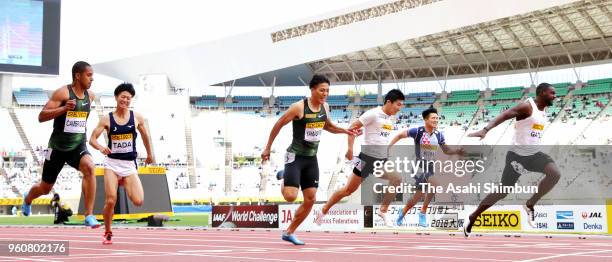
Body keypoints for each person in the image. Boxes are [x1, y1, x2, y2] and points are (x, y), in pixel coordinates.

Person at [261, 75, 360, 245]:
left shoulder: (325, 107)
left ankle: (289, 231)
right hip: (295, 157)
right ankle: (285, 175)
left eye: (327, 90)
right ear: (312, 90)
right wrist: (267, 147)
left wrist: (346, 131)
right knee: (290, 197)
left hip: (311, 159)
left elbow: (328, 126)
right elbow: (279, 124)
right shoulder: (298, 107)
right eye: (322, 90)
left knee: (311, 198)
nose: (325, 93)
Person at [463, 83, 561, 237]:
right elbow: (505, 115)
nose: (555, 96)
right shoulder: (527, 107)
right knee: (502, 191)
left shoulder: (544, 111)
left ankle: (530, 204)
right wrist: (485, 129)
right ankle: (474, 215)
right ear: (541, 93)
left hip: (534, 154)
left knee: (555, 174)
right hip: (517, 156)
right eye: (552, 93)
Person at [22, 61, 100, 228]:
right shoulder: (62, 93)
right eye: (89, 75)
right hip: (57, 148)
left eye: (92, 75)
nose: (92, 79)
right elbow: (41, 116)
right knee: (44, 188)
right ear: (77, 76)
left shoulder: (91, 96)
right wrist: (64, 109)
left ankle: (89, 215)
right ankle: (28, 198)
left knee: (90, 167)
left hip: (78, 146)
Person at [316, 89, 405, 227]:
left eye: (401, 105)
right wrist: (350, 148)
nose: (399, 108)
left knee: (397, 179)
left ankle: (383, 211)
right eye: (398, 105)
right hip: (366, 160)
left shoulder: (389, 118)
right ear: (389, 102)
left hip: (381, 161)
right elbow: (352, 128)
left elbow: (377, 134)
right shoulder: (373, 113)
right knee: (348, 190)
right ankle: (323, 211)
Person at [89, 83, 154, 244]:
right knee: (111, 200)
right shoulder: (107, 119)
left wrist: (149, 154)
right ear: (116, 98)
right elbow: (92, 139)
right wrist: (101, 147)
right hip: (112, 164)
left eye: (128, 98)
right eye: (122, 97)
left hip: (129, 165)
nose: (125, 100)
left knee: (138, 201)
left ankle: (124, 181)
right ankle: (108, 231)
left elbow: (145, 136)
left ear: (131, 100)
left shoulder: (136, 117)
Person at [388, 107, 464, 227]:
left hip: (430, 167)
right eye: (433, 118)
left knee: (417, 197)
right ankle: (423, 212)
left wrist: (457, 151)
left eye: (437, 118)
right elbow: (400, 135)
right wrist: (389, 147)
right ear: (426, 119)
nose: (436, 120)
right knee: (435, 184)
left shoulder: (439, 135)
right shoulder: (417, 131)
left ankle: (403, 211)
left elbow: (447, 150)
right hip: (418, 166)